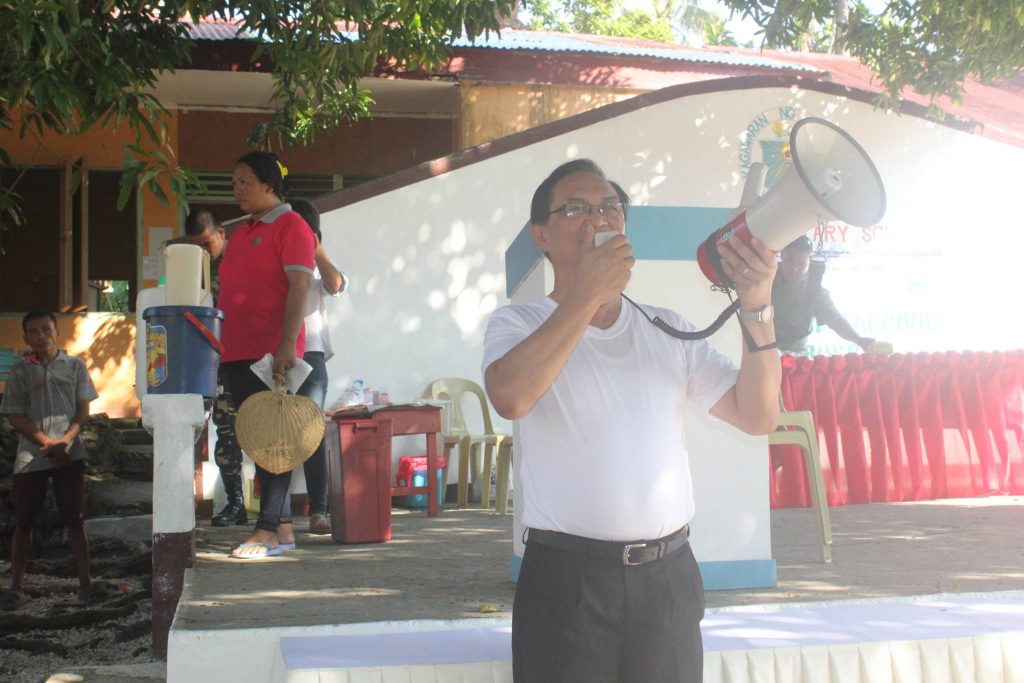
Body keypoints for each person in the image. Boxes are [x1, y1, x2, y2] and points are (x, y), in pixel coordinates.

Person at [481, 159, 781, 682]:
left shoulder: (666, 327)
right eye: (575, 208)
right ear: (541, 235)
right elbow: (511, 397)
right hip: (565, 582)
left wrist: (757, 303)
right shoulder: (518, 323)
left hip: (668, 579)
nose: (596, 219)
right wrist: (586, 294)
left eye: (609, 208)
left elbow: (758, 415)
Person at [218, 151, 316, 559]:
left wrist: (285, 345)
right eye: (235, 182)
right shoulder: (240, 233)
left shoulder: (292, 225)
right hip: (234, 350)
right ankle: (283, 529)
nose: (237, 189)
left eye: (245, 181)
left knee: (275, 441)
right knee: (255, 442)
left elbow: (299, 287)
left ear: (269, 185)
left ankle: (267, 531)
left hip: (270, 352)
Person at [0, 310, 109, 610]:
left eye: (45, 330)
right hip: (31, 453)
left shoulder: (74, 366)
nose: (40, 336)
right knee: (24, 519)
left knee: (75, 517)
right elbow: (14, 414)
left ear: (56, 332)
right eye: (33, 332)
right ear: (26, 338)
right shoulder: (20, 371)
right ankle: (16, 587)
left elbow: (83, 410)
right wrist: (47, 442)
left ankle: (86, 584)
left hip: (70, 451)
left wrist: (67, 439)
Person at [169, 210, 248, 527]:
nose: (202, 252)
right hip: (216, 365)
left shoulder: (241, 263)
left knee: (265, 434)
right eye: (195, 246)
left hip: (251, 359)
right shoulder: (192, 271)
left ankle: (275, 511)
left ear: (221, 235)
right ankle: (236, 504)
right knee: (226, 435)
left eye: (206, 243)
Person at [289, 198, 346, 534]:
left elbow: (336, 284)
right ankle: (277, 514)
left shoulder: (316, 264)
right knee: (275, 434)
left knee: (312, 436)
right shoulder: (277, 260)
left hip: (310, 356)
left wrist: (315, 248)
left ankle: (318, 511)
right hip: (275, 355)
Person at [772, 235, 875, 354]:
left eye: (801, 263)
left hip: (795, 354)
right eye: (790, 261)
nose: (794, 268)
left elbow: (834, 320)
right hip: (762, 350)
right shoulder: (766, 277)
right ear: (782, 257)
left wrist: (859, 340)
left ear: (809, 262)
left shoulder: (814, 288)